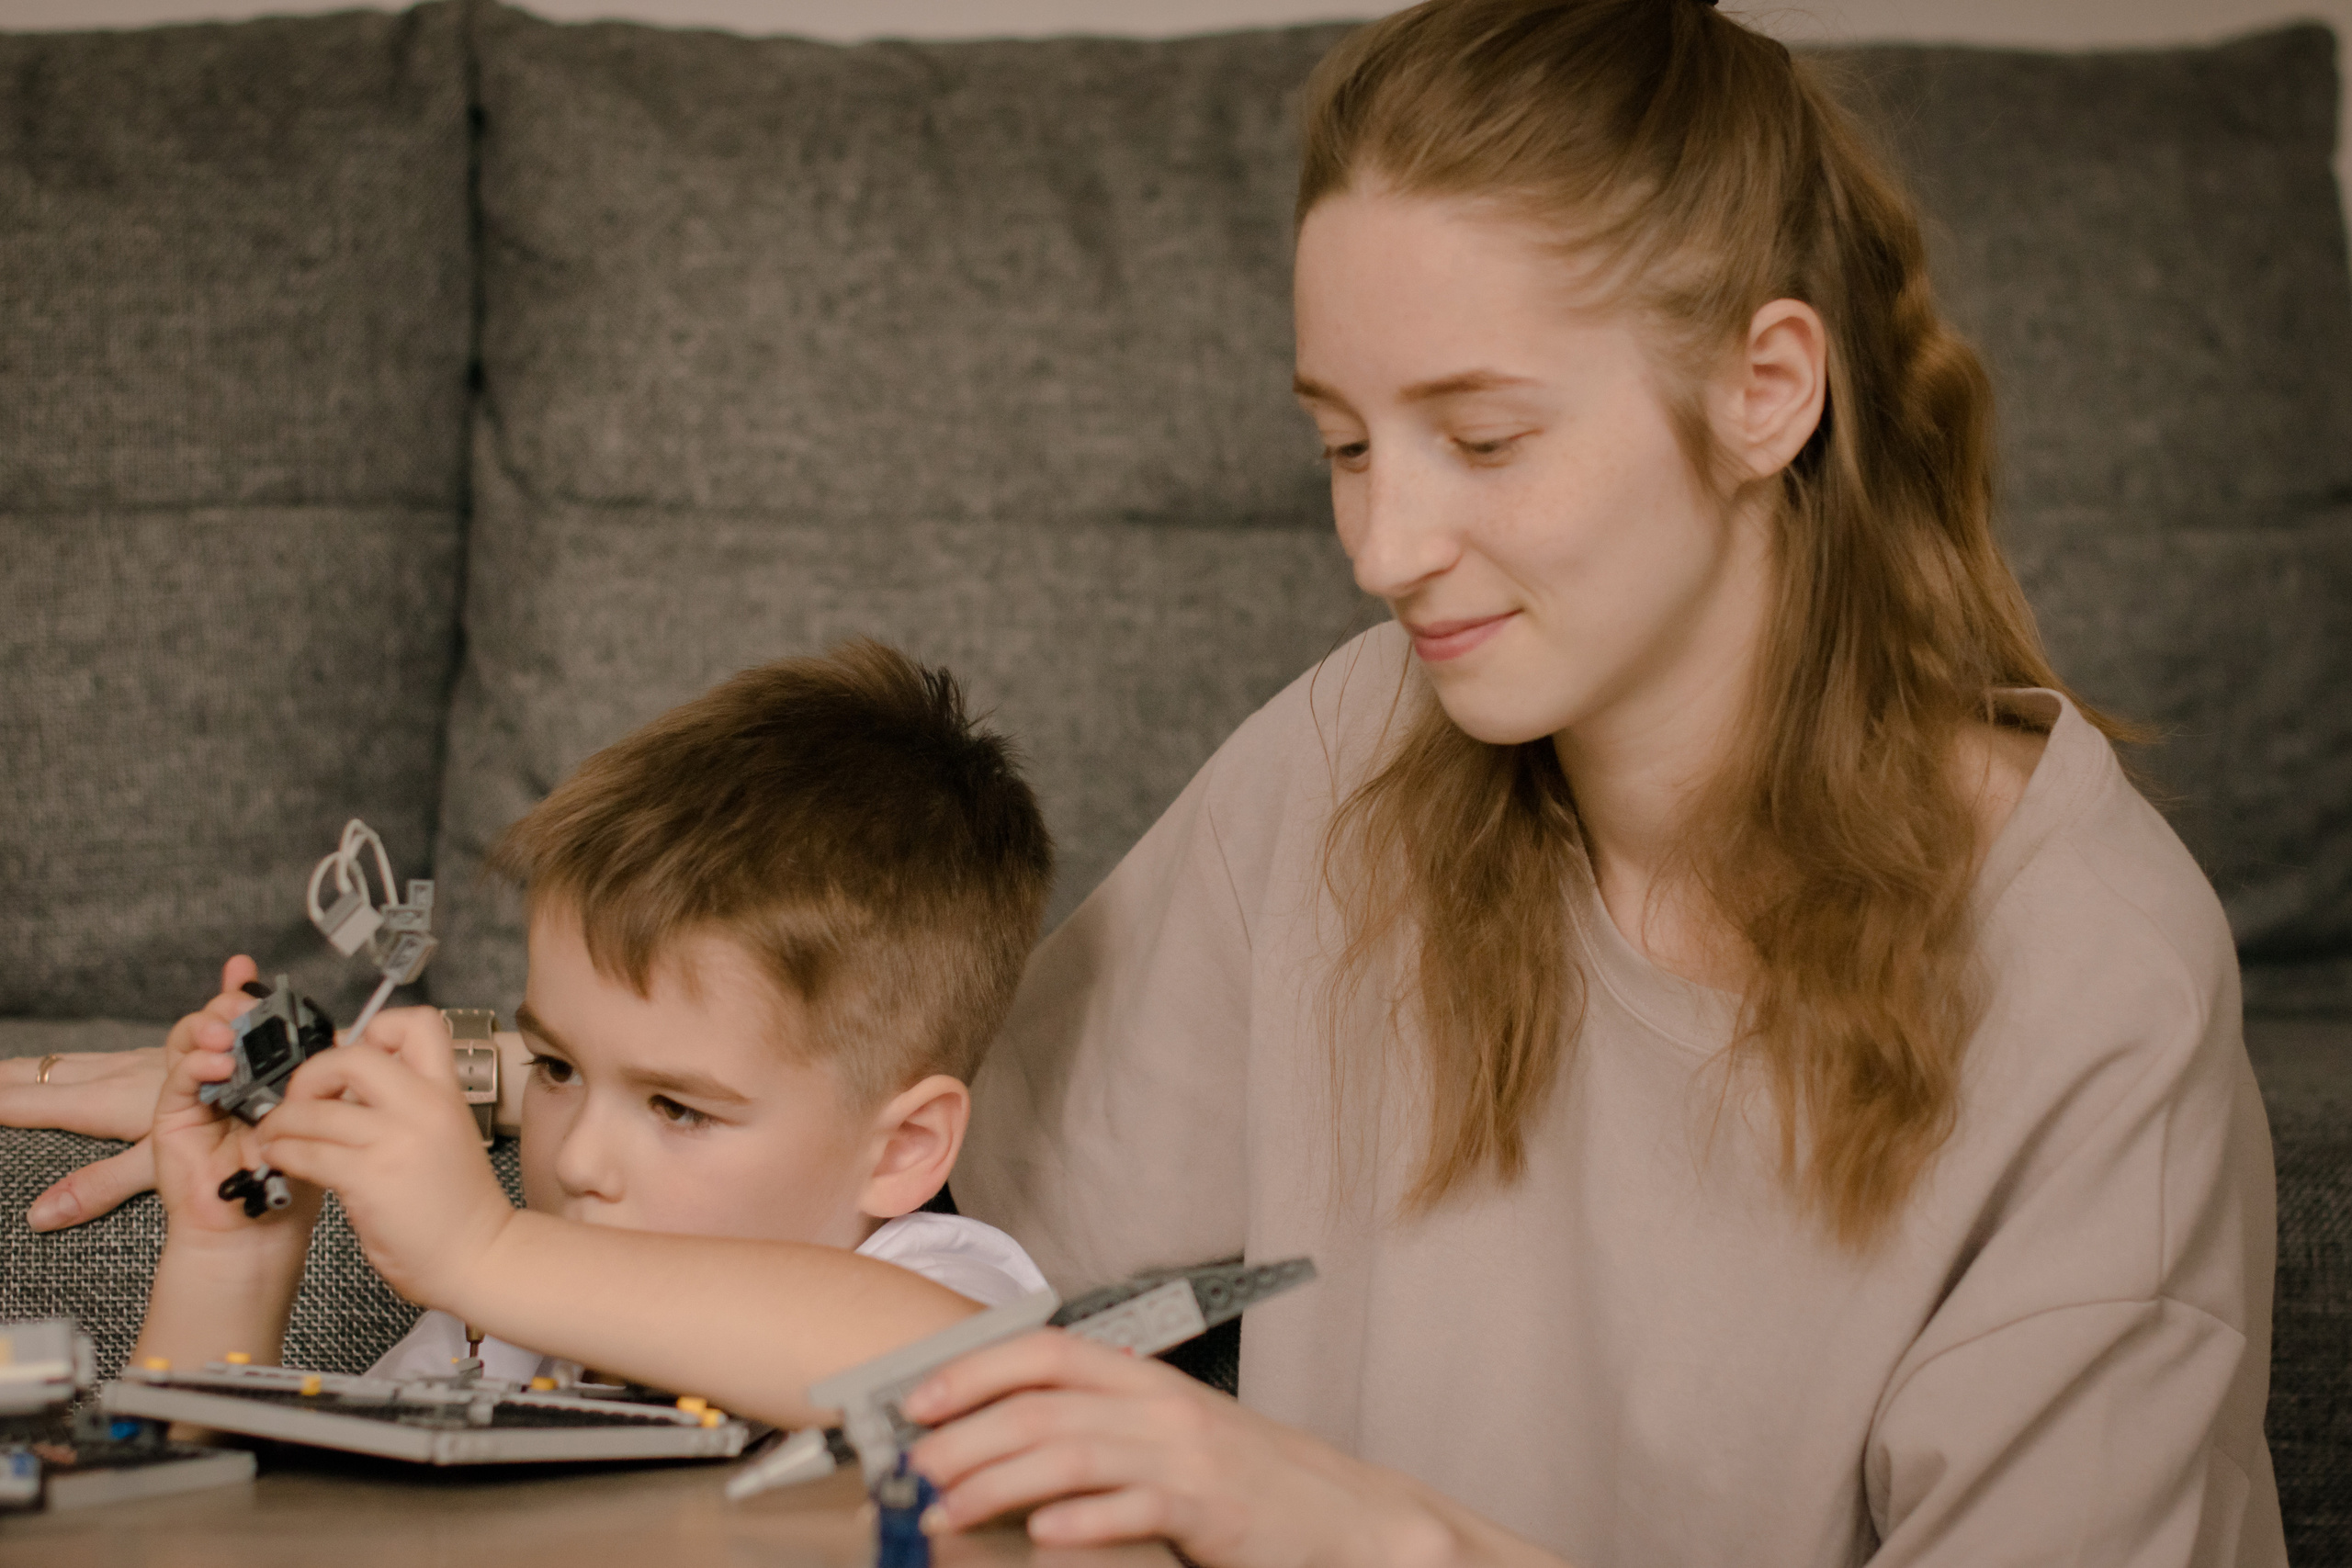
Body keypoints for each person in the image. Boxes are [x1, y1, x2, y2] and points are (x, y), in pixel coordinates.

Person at [6, 1, 2286, 1560]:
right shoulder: (1372, 747)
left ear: (1762, 389)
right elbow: (905, 1140)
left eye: (1481, 437)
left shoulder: (2090, 981)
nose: (1387, 545)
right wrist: (430, 1070)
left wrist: (1350, 1520)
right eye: (1341, 446)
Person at [129, 641, 1055, 1416]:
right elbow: (190, 1532)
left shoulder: (943, 1281)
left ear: (901, 1150)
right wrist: (231, 1262)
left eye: (678, 1108)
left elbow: (938, 1369)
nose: (576, 1164)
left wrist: (484, 1253)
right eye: (559, 1070)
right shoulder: (502, 1334)